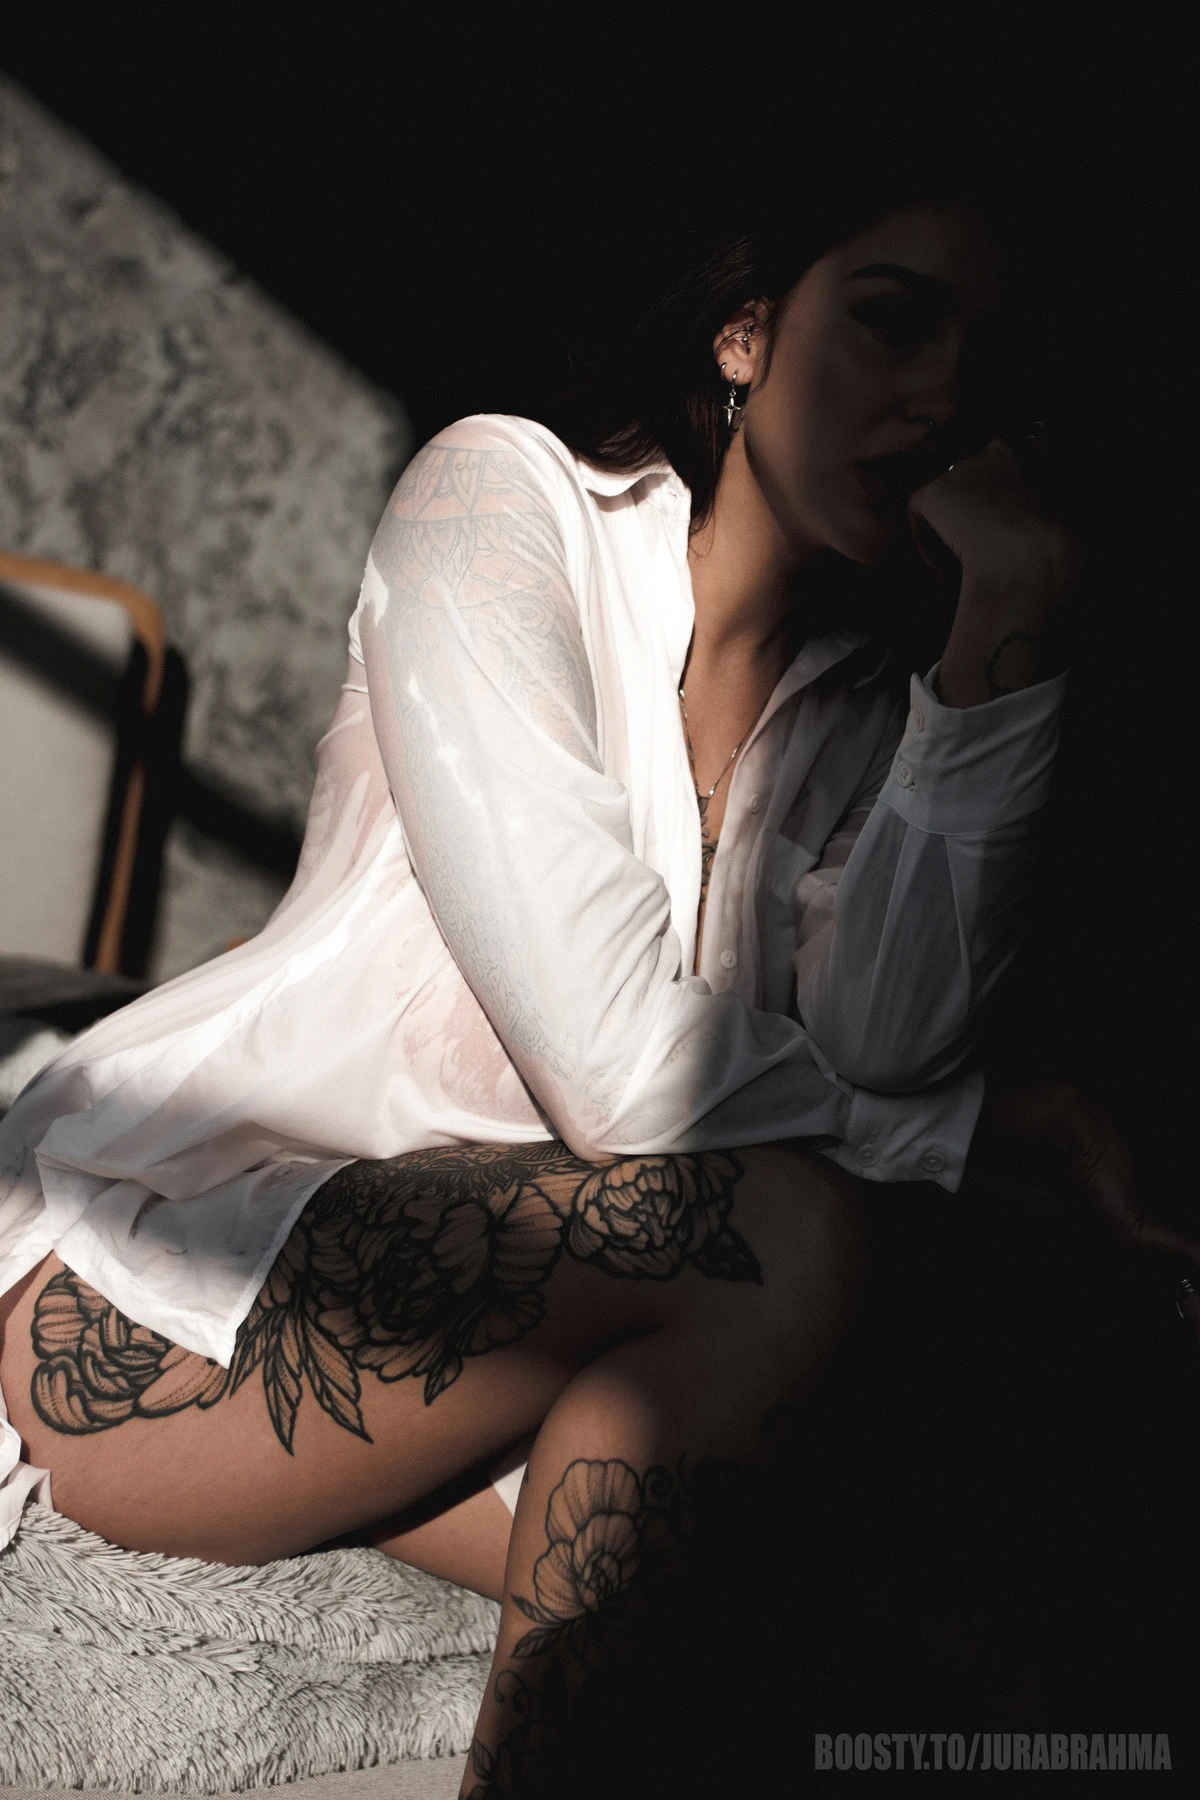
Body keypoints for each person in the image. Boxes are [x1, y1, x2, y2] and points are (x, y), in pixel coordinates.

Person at [1, 135, 1196, 1795]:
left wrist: (1008, 635)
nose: (939, 400)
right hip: (190, 1272)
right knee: (789, 1233)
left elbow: (892, 1039)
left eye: (984, 367)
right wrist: (992, 1131)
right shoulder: (501, 503)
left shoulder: (870, 710)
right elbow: (626, 1075)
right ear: (747, 331)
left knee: (962, 1643)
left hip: (539, 1357)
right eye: (892, 319)